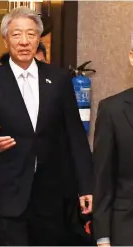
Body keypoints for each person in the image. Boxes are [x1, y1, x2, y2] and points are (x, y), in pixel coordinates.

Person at [0, 7, 93, 246]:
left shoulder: (58, 80)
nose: (24, 41)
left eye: (31, 34)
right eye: (16, 35)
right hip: (8, 195)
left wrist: (86, 185)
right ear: (5, 40)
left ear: (39, 38)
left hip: (53, 195)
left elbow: (75, 135)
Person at [92, 48, 133, 246]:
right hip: (126, 228)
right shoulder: (112, 109)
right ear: (132, 57)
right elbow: (103, 177)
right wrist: (103, 237)